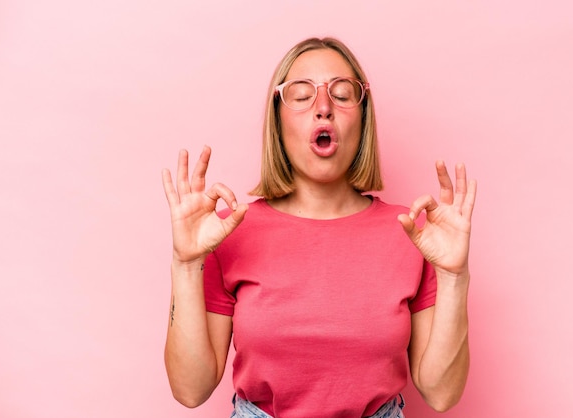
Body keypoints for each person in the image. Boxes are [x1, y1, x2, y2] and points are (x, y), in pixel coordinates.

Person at [161, 37, 476, 418]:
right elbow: (190, 390)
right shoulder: (229, 233)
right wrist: (185, 262)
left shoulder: (412, 233)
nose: (323, 107)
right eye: (301, 94)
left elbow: (441, 394)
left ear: (364, 119)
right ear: (277, 119)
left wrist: (454, 276)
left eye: (343, 95)